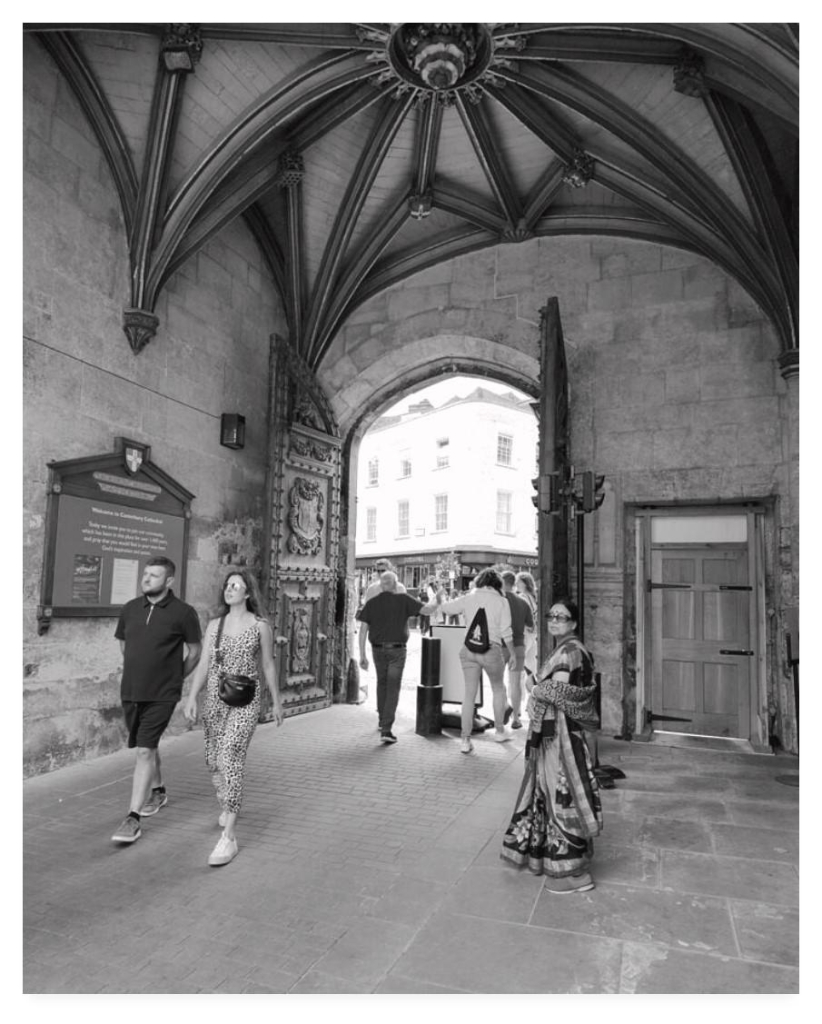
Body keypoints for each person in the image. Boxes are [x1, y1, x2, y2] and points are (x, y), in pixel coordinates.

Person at [500, 598, 602, 893]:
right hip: (559, 733)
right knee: (561, 793)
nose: (555, 620)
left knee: (562, 796)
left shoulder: (569, 651)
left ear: (573, 622)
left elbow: (554, 691)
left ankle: (575, 874)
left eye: (562, 616)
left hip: (560, 738)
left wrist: (533, 687)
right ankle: (570, 866)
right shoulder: (568, 648)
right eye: (551, 615)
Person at [183, 570, 284, 866]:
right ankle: (227, 803)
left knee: (231, 755)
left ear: (248, 593)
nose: (229, 589)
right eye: (227, 585)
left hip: (246, 699)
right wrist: (191, 696)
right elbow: (204, 664)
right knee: (213, 759)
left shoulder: (259, 626)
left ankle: (229, 837)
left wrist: (276, 702)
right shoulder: (215, 625)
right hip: (215, 697)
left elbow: (267, 664)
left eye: (235, 585)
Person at [111, 557, 202, 845]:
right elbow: (125, 645)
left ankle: (132, 818)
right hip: (131, 691)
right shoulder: (129, 609)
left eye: (154, 575)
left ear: (169, 581)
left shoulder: (184, 613)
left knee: (144, 751)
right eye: (146, 574)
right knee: (146, 745)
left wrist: (175, 679)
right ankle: (159, 790)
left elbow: (195, 651)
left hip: (163, 694)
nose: (146, 579)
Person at [420, 568, 513, 752]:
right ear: (497, 584)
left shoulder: (469, 597)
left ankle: (465, 740)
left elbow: (447, 608)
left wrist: (439, 598)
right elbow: (506, 632)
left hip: (469, 650)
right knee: (497, 689)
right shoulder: (502, 601)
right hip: (491, 650)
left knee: (469, 694)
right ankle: (500, 732)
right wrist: (514, 655)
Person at [357, 571, 425, 743]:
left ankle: (382, 720)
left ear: (381, 585)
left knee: (382, 683)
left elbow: (363, 629)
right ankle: (386, 729)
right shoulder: (403, 599)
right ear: (395, 585)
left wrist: (362, 655)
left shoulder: (372, 603)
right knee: (393, 687)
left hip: (377, 649)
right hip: (397, 650)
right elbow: (427, 609)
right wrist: (439, 600)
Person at [501, 570, 534, 730]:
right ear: (514, 584)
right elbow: (531, 625)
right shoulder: (523, 602)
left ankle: (504, 707)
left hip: (500, 646)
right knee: (515, 683)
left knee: (497, 682)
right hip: (519, 645)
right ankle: (516, 718)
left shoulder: (499, 601)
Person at [515, 571, 538, 682]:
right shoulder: (534, 597)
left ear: (525, 583)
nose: (516, 584)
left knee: (519, 665)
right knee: (530, 664)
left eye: (518, 582)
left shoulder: (522, 597)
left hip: (524, 633)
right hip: (533, 634)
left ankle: (520, 694)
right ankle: (532, 690)